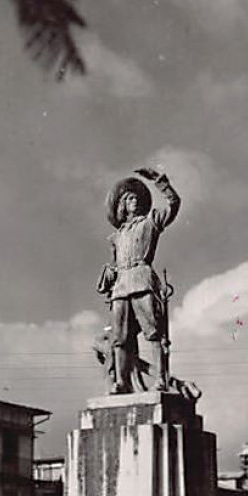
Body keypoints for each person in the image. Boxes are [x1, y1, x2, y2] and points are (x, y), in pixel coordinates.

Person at [97, 167, 181, 394]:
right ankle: (122, 382)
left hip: (143, 281)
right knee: (119, 338)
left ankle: (161, 380)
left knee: (153, 333)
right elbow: (115, 264)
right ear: (122, 205)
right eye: (129, 199)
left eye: (136, 198)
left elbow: (174, 204)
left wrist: (160, 182)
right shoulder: (116, 236)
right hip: (121, 287)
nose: (134, 201)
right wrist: (110, 275)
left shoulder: (150, 222)